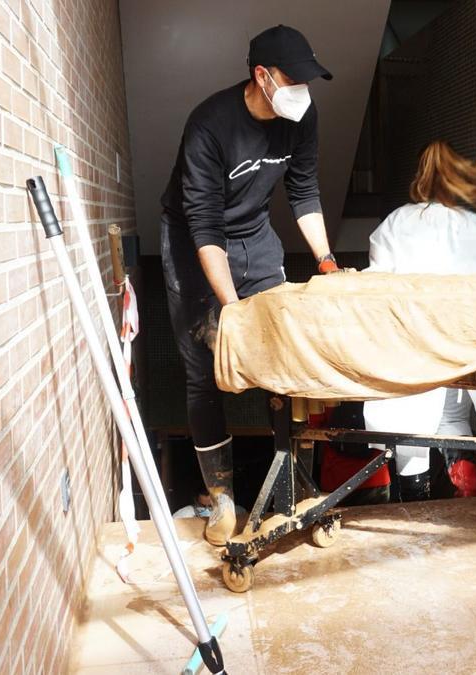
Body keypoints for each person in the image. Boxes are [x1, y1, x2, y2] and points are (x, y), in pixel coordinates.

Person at [160, 25, 337, 546]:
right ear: (261, 77)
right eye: (293, 78)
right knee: (203, 371)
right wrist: (231, 308)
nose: (303, 89)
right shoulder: (209, 126)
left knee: (283, 356)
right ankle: (221, 501)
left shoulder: (301, 116)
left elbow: (304, 190)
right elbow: (205, 225)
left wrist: (326, 261)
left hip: (255, 236)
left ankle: (292, 492)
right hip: (194, 242)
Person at [360, 141, 476, 500]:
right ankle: (462, 497)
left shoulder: (395, 224)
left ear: (421, 177)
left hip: (411, 355)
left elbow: (375, 290)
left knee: (410, 444)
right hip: (463, 354)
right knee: (453, 423)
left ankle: (416, 515)